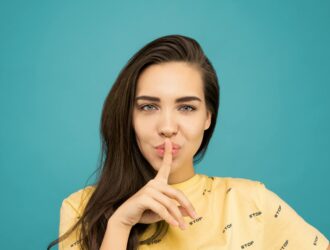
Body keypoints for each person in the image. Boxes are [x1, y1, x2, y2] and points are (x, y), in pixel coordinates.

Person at [47, 34, 329, 250]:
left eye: (186, 108)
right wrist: (120, 224)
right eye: (148, 107)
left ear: (208, 117)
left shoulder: (251, 201)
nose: (167, 127)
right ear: (127, 116)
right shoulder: (81, 209)